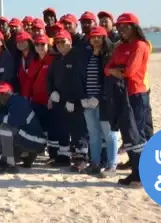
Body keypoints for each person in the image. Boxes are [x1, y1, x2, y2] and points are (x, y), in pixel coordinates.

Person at [105, 12, 151, 187]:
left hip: (136, 94)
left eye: (125, 27)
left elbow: (130, 72)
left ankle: (142, 174)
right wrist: (116, 70)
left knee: (137, 135)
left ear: (134, 27)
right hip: (121, 94)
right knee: (128, 135)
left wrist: (117, 70)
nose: (121, 30)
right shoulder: (120, 46)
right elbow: (107, 68)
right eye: (119, 27)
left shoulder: (140, 45)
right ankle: (135, 172)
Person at [46, 30, 88, 168]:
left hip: (74, 101)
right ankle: (64, 155)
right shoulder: (57, 60)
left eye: (63, 41)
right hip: (59, 100)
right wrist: (51, 92)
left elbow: (80, 81)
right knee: (61, 127)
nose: (59, 44)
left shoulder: (78, 57)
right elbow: (49, 79)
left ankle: (81, 157)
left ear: (70, 41)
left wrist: (74, 100)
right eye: (57, 42)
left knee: (78, 129)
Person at [80, 26, 117, 177]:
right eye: (93, 37)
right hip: (88, 101)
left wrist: (100, 97)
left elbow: (110, 80)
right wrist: (83, 97)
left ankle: (111, 165)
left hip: (105, 101)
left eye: (99, 37)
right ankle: (95, 163)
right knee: (93, 133)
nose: (95, 39)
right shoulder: (86, 55)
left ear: (104, 38)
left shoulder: (109, 55)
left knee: (109, 133)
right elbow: (82, 78)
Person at [0, 83, 47, 173]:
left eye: (2, 94)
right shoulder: (9, 103)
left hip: (35, 140)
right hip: (26, 138)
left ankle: (10, 164)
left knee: (5, 127)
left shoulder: (18, 101)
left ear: (8, 93)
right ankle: (27, 156)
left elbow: (16, 121)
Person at [21, 34, 54, 158]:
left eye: (42, 44)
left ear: (48, 45)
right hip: (36, 100)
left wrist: (53, 97)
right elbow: (29, 80)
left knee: (50, 126)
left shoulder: (53, 59)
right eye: (37, 44)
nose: (40, 47)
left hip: (49, 100)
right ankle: (39, 148)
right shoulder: (34, 60)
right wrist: (26, 96)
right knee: (37, 126)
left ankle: (51, 150)